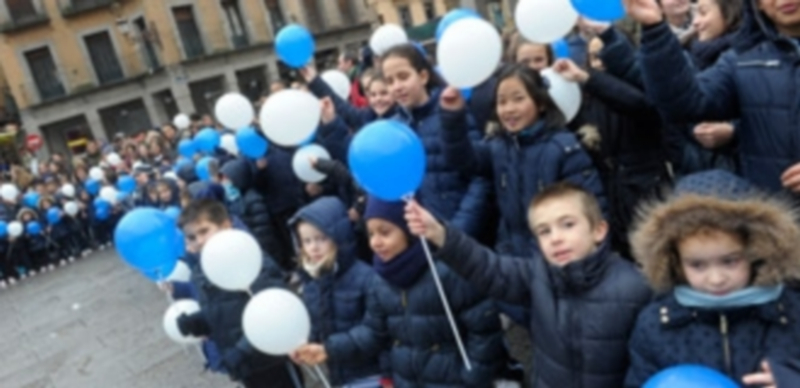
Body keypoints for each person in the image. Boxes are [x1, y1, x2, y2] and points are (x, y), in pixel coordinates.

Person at [405, 182, 652, 387]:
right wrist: (440, 234)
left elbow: (646, 363)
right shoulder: (538, 275)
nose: (556, 238)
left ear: (598, 230)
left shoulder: (635, 288)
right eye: (544, 231)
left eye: (568, 224)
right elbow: (489, 268)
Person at [293, 197, 506, 387]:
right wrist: (328, 349)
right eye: (371, 234)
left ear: (409, 230)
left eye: (385, 232)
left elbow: (484, 330)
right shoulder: (381, 280)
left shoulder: (449, 272)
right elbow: (373, 332)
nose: (375, 242)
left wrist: (474, 377)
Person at [626, 170, 800, 387]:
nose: (716, 279)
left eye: (730, 261)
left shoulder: (791, 313)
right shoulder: (657, 325)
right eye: (697, 265)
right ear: (675, 262)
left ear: (757, 251)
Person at [623, 0, 800, 195]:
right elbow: (686, 102)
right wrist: (655, 30)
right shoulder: (743, 59)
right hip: (770, 207)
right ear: (757, 4)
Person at [440, 63, 605, 257]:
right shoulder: (498, 146)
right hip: (511, 258)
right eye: (502, 102)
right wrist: (452, 116)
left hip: (557, 257)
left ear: (540, 103)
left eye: (518, 99)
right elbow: (461, 160)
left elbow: (593, 209)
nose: (509, 109)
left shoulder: (564, 148)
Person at [176, 199, 302, 388]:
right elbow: (224, 311)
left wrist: (242, 351)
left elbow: (272, 312)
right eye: (192, 237)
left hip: (272, 358)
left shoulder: (249, 258)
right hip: (245, 366)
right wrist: (199, 321)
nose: (199, 241)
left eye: (204, 231)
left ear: (226, 225)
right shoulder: (202, 271)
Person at [379, 44, 489, 239]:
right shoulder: (393, 129)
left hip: (465, 236)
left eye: (403, 77)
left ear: (423, 76)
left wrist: (457, 232)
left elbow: (480, 176)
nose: (397, 86)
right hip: (424, 238)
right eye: (390, 81)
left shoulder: (451, 112)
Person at [288, 197, 385, 387]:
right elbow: (317, 325)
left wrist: (329, 349)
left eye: (321, 238)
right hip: (339, 375)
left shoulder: (366, 278)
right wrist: (303, 344)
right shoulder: (312, 282)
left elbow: (374, 331)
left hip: (371, 374)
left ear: (339, 237)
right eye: (306, 241)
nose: (314, 247)